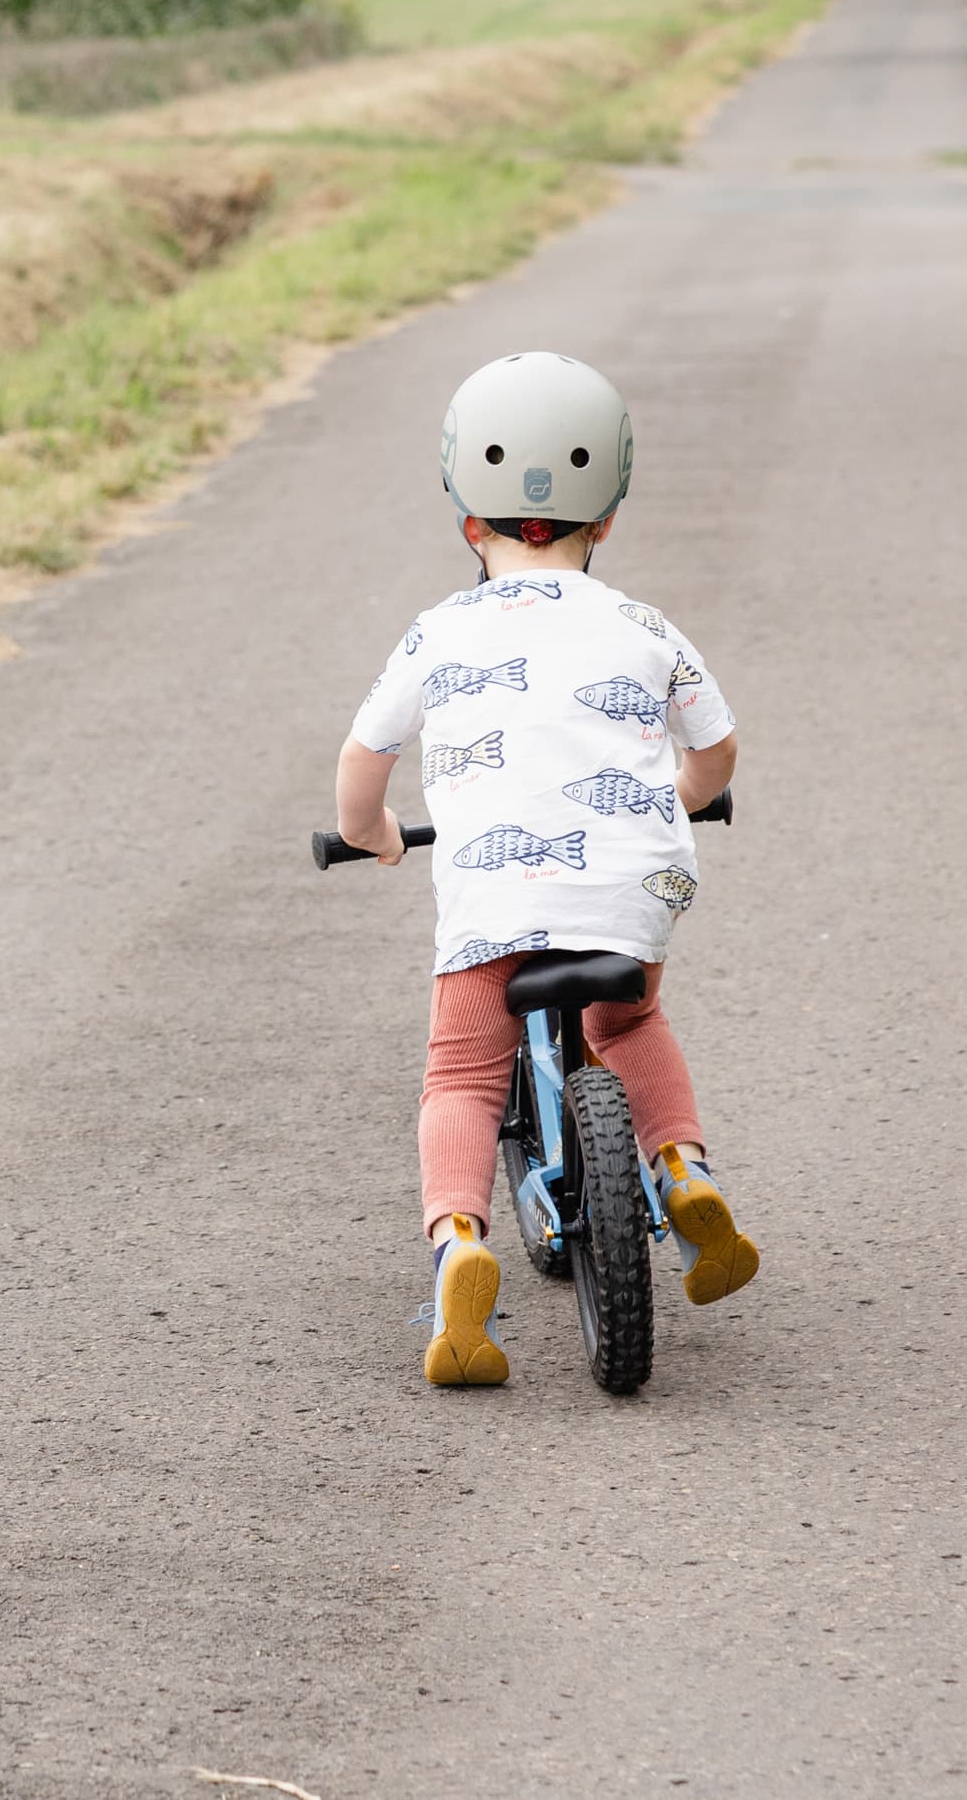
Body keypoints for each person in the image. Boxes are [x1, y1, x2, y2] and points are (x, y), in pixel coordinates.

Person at [330, 352, 759, 1388]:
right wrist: (684, 796)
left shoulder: (440, 630)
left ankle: (459, 1253)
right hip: (627, 891)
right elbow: (716, 749)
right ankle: (684, 1172)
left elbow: (362, 766)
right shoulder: (645, 623)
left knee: (463, 1076)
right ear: (606, 515)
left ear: (465, 517)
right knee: (631, 1023)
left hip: (490, 905)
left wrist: (375, 832)